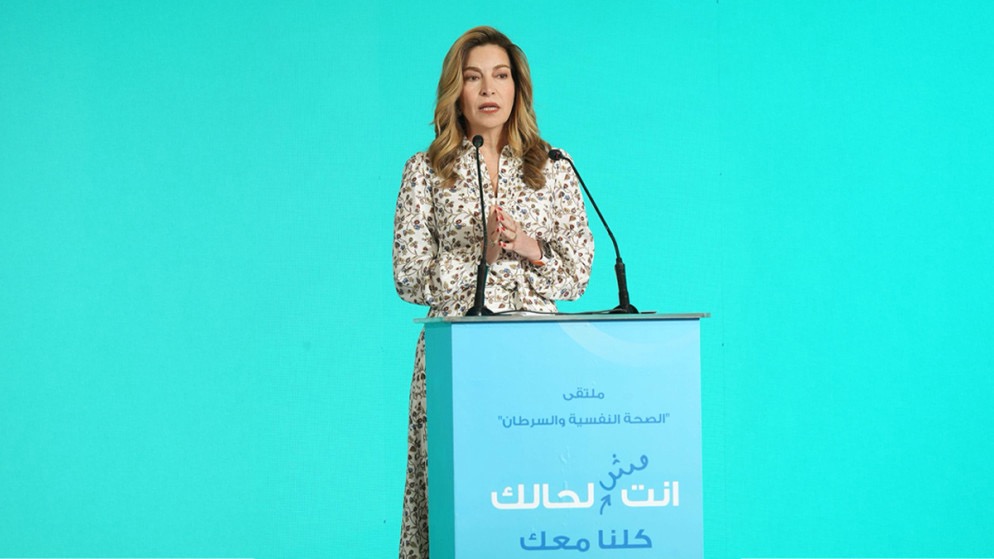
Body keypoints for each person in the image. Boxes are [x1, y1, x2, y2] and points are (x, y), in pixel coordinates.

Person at [392, 26, 595, 558]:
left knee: (535, 487)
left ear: (516, 88)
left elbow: (576, 276)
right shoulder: (425, 170)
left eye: (500, 76)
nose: (488, 89)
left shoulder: (554, 166)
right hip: (455, 356)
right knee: (457, 494)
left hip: (538, 354)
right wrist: (476, 258)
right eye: (474, 78)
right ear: (455, 91)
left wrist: (529, 247)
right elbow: (409, 278)